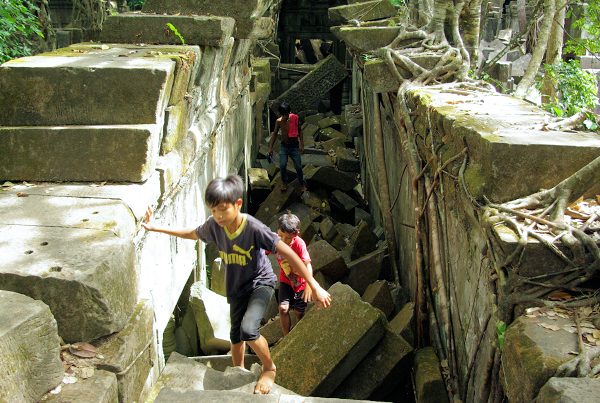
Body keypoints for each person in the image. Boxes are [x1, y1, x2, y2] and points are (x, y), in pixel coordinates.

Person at [141, 174, 331, 394]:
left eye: (223, 209)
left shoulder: (253, 228)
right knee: (235, 335)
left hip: (261, 283)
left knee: (248, 330)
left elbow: (289, 253)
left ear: (238, 204)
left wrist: (314, 285)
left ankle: (269, 368)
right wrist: (155, 227)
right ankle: (238, 369)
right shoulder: (215, 226)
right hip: (237, 287)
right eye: (214, 211)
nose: (219, 216)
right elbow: (193, 233)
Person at [275, 213, 312, 336]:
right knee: (283, 309)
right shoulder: (275, 240)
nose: (284, 241)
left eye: (288, 238)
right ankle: (287, 336)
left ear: (296, 234)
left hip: (301, 283)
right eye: (281, 236)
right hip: (286, 280)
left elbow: (308, 265)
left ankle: (302, 331)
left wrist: (309, 285)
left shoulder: (299, 244)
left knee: (298, 312)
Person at [268, 101, 307, 192]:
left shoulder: (295, 118)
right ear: (281, 114)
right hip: (284, 147)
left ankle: (301, 183)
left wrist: (302, 144)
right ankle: (284, 182)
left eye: (287, 114)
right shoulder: (279, 121)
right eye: (284, 115)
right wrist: (270, 148)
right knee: (282, 165)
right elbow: (274, 134)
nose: (286, 116)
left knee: (298, 166)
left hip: (294, 147)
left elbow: (300, 131)